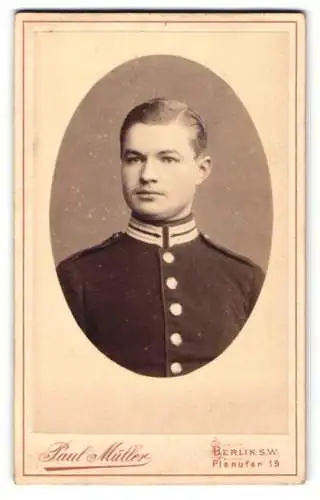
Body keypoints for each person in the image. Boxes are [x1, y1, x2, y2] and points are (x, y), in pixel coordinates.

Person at [57, 98, 264, 378]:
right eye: (134, 159)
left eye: (167, 159)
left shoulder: (245, 280)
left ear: (201, 170)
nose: (147, 175)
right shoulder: (76, 278)